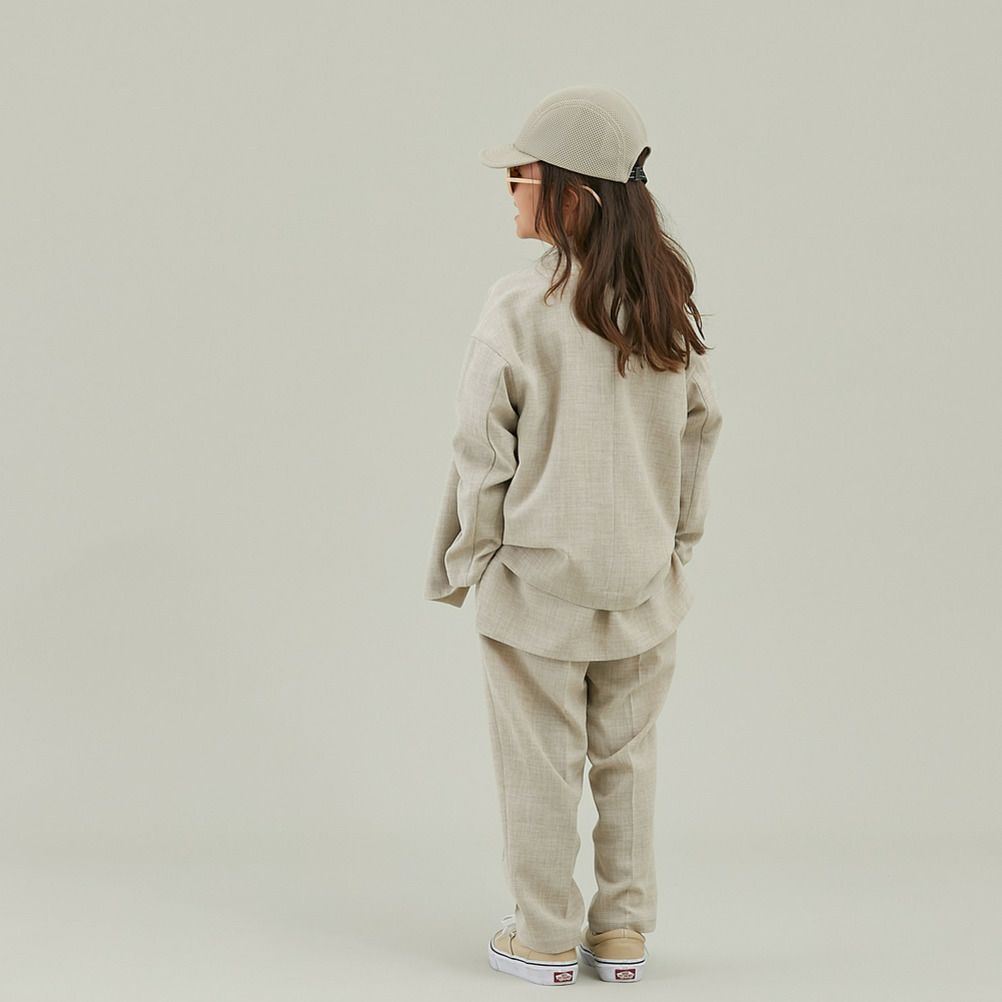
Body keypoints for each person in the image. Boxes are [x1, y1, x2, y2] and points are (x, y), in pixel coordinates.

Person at [423, 84, 723, 986]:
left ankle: (545, 936)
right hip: (643, 586)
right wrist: (676, 543)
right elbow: (700, 430)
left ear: (571, 195)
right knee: (627, 761)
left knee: (540, 766)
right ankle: (622, 935)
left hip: (537, 589)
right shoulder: (665, 307)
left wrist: (472, 556)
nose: (509, 189)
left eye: (520, 175)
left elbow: (480, 448)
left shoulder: (517, 310)